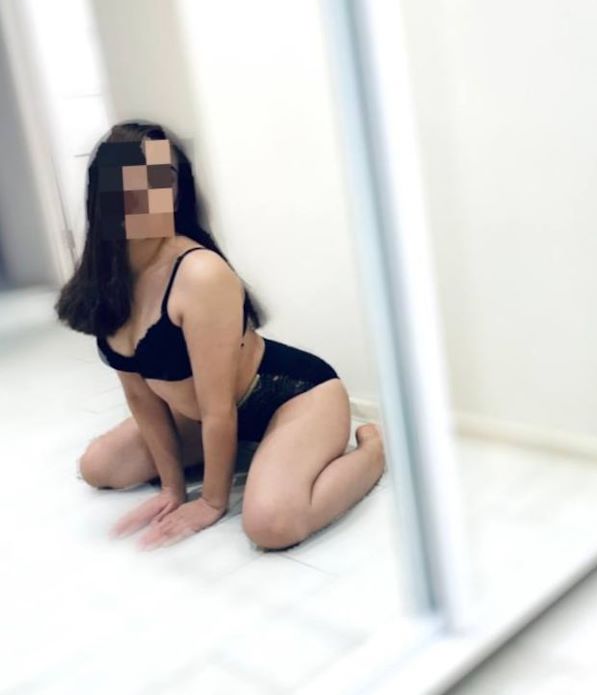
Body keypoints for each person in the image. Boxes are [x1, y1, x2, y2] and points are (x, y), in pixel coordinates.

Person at [55, 120, 385, 552]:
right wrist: (172, 489)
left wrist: (211, 502)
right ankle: (256, 454)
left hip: (292, 397)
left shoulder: (199, 273)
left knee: (271, 525)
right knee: (98, 466)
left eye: (161, 178)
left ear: (177, 191)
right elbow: (141, 397)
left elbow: (218, 408)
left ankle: (373, 451)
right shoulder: (107, 280)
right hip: (202, 416)